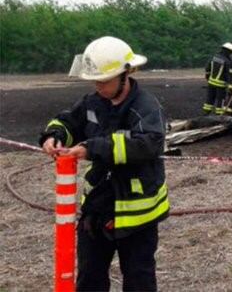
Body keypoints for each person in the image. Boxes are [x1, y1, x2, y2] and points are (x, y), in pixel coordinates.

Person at [39, 36, 169, 291]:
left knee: (139, 280)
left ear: (126, 74)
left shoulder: (146, 107)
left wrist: (93, 148)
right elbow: (68, 121)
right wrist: (54, 135)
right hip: (97, 210)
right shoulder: (93, 102)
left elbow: (149, 143)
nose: (98, 86)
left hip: (137, 215)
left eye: (103, 80)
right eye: (94, 80)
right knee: (89, 277)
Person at [203, 42, 232, 115]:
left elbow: (207, 68)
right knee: (220, 100)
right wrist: (229, 84)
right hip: (221, 85)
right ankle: (219, 116)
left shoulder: (214, 57)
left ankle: (206, 114)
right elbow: (228, 75)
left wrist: (208, 77)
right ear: (228, 51)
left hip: (211, 83)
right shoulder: (227, 61)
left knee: (209, 99)